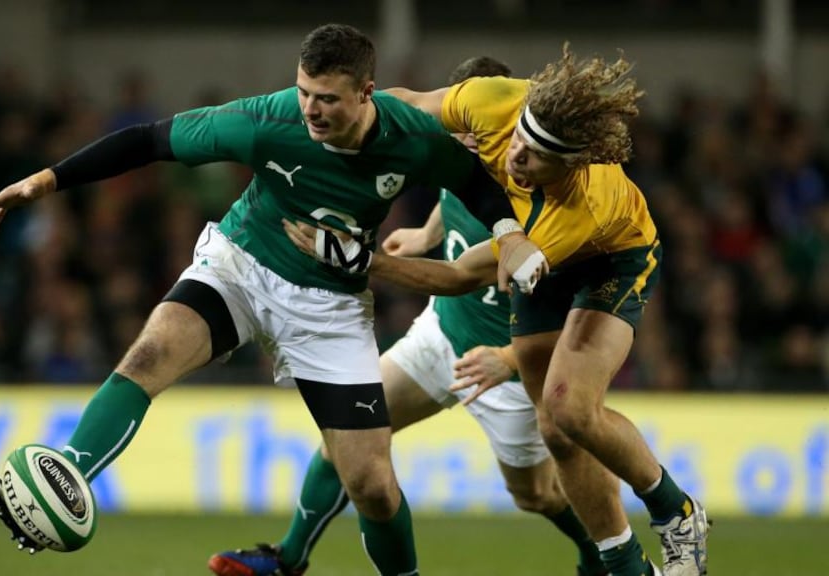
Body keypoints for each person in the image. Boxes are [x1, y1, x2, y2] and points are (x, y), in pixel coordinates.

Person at [0, 24, 545, 576]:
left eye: (326, 98)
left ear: (366, 93)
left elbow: (476, 184)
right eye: (304, 92)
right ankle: (70, 471)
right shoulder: (266, 120)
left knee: (371, 484)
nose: (310, 109)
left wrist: (509, 234)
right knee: (151, 352)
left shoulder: (413, 138)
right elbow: (149, 141)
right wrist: (47, 180)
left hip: (330, 307)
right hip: (242, 266)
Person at [282, 44, 710, 576]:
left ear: (569, 164)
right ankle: (624, 564)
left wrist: (359, 260)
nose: (515, 158)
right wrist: (334, 124)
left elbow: (460, 276)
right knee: (555, 434)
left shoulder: (571, 213)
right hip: (508, 277)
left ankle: (675, 511)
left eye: (535, 157)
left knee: (569, 410)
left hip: (609, 260)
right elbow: (404, 105)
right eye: (519, 140)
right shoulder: (491, 103)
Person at [208, 56, 608, 576]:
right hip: (442, 335)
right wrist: (427, 234)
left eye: (476, 129)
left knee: (534, 495)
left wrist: (510, 358)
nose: (466, 139)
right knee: (345, 435)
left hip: (508, 368)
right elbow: (454, 195)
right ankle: (287, 558)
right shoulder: (454, 154)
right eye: (458, 126)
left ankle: (598, 552)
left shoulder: (548, 206)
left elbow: (578, 318)